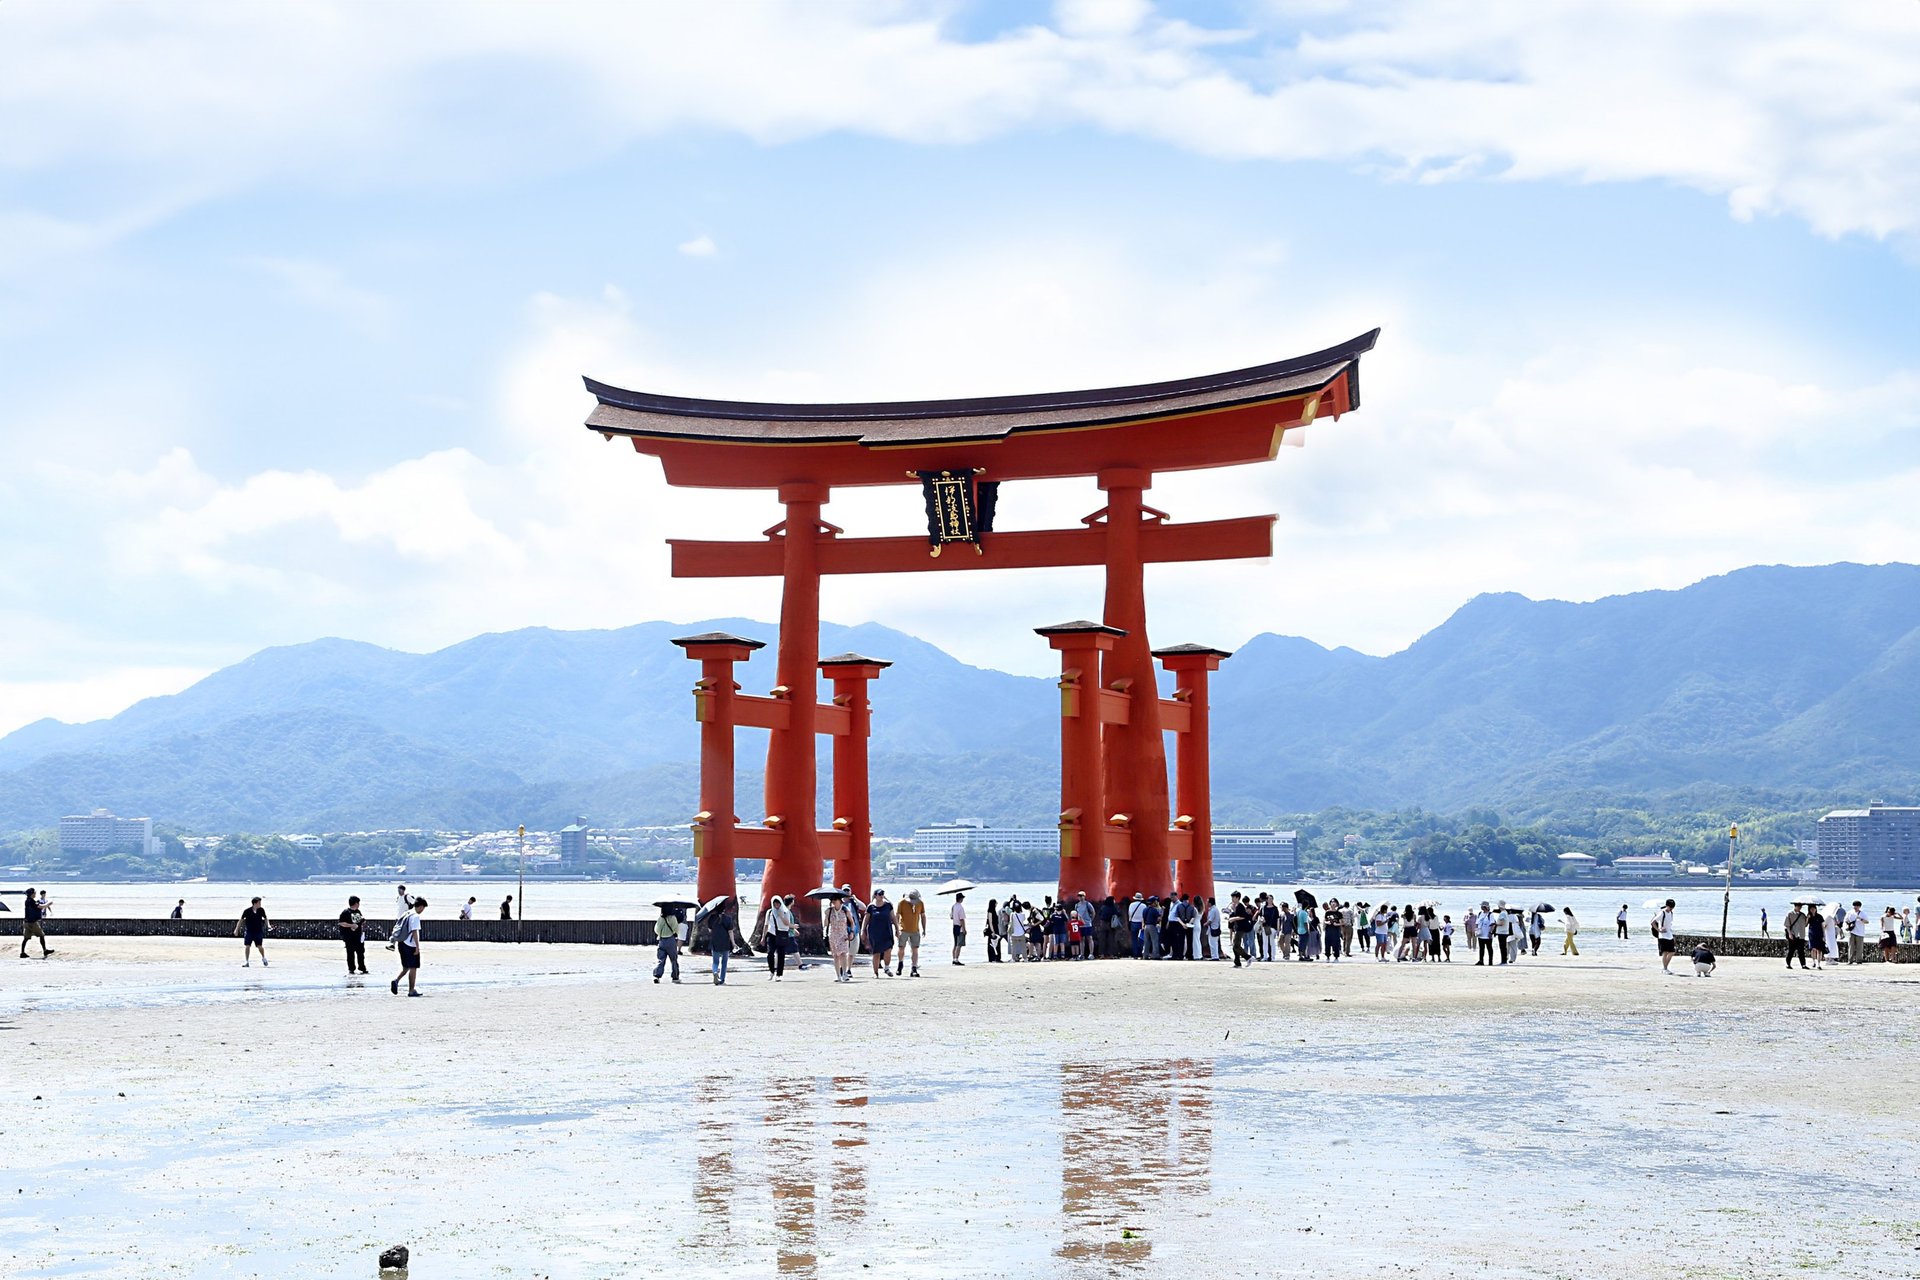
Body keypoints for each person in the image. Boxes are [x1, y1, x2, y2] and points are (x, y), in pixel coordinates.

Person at [390, 896, 426, 996]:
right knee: (413, 967)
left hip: (401, 942)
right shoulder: (415, 916)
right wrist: (417, 947)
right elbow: (415, 931)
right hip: (410, 944)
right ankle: (411, 990)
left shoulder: (406, 913)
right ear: (421, 907)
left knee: (406, 967)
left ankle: (396, 980)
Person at [865, 890, 897, 978]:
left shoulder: (888, 905)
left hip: (887, 931)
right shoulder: (871, 907)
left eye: (882, 894)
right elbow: (866, 920)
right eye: (879, 894)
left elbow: (893, 917)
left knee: (888, 949)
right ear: (875, 895)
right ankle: (876, 973)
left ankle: (886, 968)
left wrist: (898, 929)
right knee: (876, 952)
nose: (881, 896)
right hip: (875, 932)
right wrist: (862, 931)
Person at [764, 894, 794, 980]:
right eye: (775, 904)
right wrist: (763, 936)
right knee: (770, 953)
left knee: (781, 955)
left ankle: (779, 974)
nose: (776, 905)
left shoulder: (785, 911)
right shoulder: (769, 912)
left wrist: (781, 915)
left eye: (778, 904)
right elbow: (766, 925)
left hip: (782, 934)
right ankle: (771, 971)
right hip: (771, 934)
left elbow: (787, 923)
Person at [828, 896, 858, 983]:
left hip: (843, 935)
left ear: (840, 901)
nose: (833, 902)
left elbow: (852, 922)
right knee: (835, 956)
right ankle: (838, 975)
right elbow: (826, 923)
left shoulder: (845, 910)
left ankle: (844, 973)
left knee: (843, 954)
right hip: (833, 935)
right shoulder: (829, 910)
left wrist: (852, 932)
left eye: (835, 900)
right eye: (832, 900)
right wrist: (826, 916)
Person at [896, 891, 926, 977]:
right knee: (901, 947)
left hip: (915, 930)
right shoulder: (902, 903)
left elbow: (923, 916)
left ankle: (914, 968)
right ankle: (900, 964)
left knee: (915, 949)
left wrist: (924, 928)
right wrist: (897, 929)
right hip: (903, 929)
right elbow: (897, 915)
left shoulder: (920, 903)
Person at [707, 898, 736, 986]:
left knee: (715, 961)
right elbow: (730, 932)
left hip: (715, 941)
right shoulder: (728, 919)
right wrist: (733, 943)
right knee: (724, 962)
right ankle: (722, 979)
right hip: (725, 943)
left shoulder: (711, 918)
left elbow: (710, 930)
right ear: (724, 909)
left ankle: (715, 972)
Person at [337, 895, 369, 975]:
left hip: (358, 936)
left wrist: (363, 922)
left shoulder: (358, 911)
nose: (359, 904)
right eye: (358, 903)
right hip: (349, 936)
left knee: (361, 952)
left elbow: (360, 920)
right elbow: (341, 923)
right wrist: (351, 925)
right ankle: (351, 968)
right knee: (350, 953)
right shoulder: (345, 912)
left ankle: (362, 967)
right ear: (355, 903)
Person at [18, 887, 52, 959]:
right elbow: (40, 907)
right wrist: (48, 904)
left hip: (26, 922)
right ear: (32, 894)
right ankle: (45, 950)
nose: (35, 894)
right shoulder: (32, 901)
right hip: (33, 923)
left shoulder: (27, 901)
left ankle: (22, 952)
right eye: (34, 893)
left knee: (26, 938)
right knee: (41, 935)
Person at [236, 897, 271, 967]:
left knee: (259, 946)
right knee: (247, 946)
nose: (260, 904)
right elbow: (241, 920)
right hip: (249, 931)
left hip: (258, 931)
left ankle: (263, 958)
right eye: (259, 903)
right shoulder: (247, 911)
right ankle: (247, 961)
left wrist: (268, 925)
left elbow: (265, 918)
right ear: (255, 903)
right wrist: (236, 929)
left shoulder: (261, 910)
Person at [652, 905, 683, 984]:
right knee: (673, 959)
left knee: (661, 959)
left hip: (661, 940)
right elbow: (676, 929)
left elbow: (656, 929)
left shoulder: (660, 918)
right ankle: (675, 977)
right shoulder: (673, 918)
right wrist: (674, 933)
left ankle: (657, 976)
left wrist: (661, 934)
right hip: (670, 940)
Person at [1783, 904, 1809, 969]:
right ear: (1795, 906)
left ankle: (1803, 964)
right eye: (1798, 906)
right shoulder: (1790, 914)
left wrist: (1808, 918)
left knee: (1801, 951)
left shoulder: (1802, 915)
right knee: (1791, 950)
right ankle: (1788, 964)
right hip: (1793, 934)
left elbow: (1805, 925)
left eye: (1800, 906)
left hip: (1801, 935)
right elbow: (1787, 925)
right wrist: (1789, 934)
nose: (1799, 907)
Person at [387, 884, 411, 951]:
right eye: (398, 890)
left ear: (403, 890)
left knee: (398, 932)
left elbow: (414, 903)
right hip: (398, 918)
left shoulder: (407, 896)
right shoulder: (398, 898)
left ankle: (393, 944)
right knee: (395, 931)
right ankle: (392, 944)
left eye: (400, 890)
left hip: (404, 918)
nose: (399, 891)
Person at [1656, 899, 1677, 974]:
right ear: (1667, 906)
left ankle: (1665, 967)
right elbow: (1652, 922)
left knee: (1672, 952)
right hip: (1662, 935)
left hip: (1669, 934)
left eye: (1672, 908)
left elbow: (1669, 923)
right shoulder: (1662, 913)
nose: (1671, 909)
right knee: (1665, 952)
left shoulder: (1671, 913)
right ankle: (1665, 968)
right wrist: (1658, 929)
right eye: (1670, 907)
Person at [1806, 905, 1827, 971]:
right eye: (1811, 909)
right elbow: (1805, 925)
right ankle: (1813, 961)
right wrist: (1807, 918)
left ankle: (1818, 964)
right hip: (1811, 934)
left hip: (1819, 934)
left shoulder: (1819, 916)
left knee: (1819, 949)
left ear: (1816, 909)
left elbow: (1823, 926)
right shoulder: (1809, 917)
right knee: (1813, 949)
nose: (1812, 910)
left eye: (1813, 908)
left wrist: (1824, 935)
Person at [1847, 901, 1869, 965]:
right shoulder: (1850, 912)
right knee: (1851, 947)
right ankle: (1850, 960)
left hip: (1860, 932)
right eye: (1854, 906)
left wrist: (1861, 919)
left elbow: (1867, 922)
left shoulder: (1863, 913)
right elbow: (1846, 920)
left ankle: (1859, 960)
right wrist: (1847, 926)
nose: (1855, 907)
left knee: (1859, 947)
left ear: (1859, 906)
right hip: (1852, 931)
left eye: (1856, 906)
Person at [950, 892, 967, 966]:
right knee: (959, 944)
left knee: (955, 943)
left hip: (954, 926)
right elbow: (962, 919)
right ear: (960, 899)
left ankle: (954, 958)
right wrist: (964, 929)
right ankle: (956, 959)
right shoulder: (960, 907)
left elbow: (951, 917)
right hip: (959, 927)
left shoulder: (953, 906)